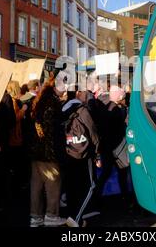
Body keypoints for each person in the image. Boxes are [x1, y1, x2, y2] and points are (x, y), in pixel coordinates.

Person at [29, 79, 67, 227]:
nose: (65, 90)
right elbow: (53, 130)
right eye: (63, 87)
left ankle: (36, 216)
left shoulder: (39, 101)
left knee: (36, 185)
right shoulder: (52, 103)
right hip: (48, 152)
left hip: (36, 151)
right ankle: (51, 215)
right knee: (53, 184)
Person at [62, 88, 101, 227]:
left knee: (72, 187)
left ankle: (74, 216)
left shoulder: (63, 108)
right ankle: (75, 219)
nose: (88, 96)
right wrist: (98, 155)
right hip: (83, 153)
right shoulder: (82, 110)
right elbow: (93, 133)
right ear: (79, 94)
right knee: (91, 185)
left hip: (68, 152)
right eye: (86, 94)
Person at [95, 86, 131, 207]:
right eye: (123, 97)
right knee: (122, 172)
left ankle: (97, 196)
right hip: (116, 147)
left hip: (107, 147)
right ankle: (126, 197)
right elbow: (121, 129)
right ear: (119, 97)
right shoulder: (116, 110)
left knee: (106, 173)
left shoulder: (106, 107)